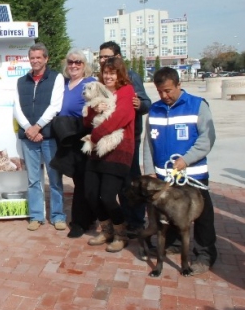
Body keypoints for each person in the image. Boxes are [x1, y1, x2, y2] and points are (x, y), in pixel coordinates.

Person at [143, 67, 217, 275]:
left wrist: (186, 160)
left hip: (193, 176)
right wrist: (149, 170)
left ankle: (204, 254)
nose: (164, 96)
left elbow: (206, 139)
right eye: (160, 92)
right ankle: (174, 244)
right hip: (165, 178)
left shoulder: (197, 106)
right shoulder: (155, 110)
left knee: (202, 216)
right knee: (169, 214)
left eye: (168, 90)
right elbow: (148, 142)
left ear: (178, 85)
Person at [98, 41, 151, 237]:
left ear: (118, 57)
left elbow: (146, 103)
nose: (104, 60)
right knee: (113, 182)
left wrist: (139, 104)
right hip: (108, 139)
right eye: (101, 57)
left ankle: (135, 220)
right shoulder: (101, 80)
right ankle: (119, 219)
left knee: (130, 181)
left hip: (129, 138)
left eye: (107, 56)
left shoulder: (131, 77)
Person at [84, 57, 135, 252]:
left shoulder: (127, 91)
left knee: (107, 195)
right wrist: (92, 110)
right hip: (98, 149)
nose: (108, 76)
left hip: (118, 149)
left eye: (112, 72)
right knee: (90, 192)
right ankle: (107, 230)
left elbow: (121, 118)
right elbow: (86, 121)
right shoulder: (98, 90)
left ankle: (121, 234)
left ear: (120, 74)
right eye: (106, 72)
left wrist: (95, 136)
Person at [13, 43, 66, 232]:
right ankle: (36, 216)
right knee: (33, 179)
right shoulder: (21, 81)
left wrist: (37, 127)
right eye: (32, 57)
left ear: (46, 59)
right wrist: (28, 128)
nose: (35, 61)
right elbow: (17, 108)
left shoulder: (56, 78)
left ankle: (58, 216)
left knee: (54, 178)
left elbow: (55, 106)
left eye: (39, 57)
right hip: (29, 137)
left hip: (49, 136)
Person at [49, 49, 97, 238]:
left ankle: (80, 222)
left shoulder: (90, 83)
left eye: (78, 62)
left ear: (84, 65)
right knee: (78, 179)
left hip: (82, 133)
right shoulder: (64, 83)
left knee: (83, 180)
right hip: (66, 135)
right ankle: (87, 217)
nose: (74, 65)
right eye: (70, 62)